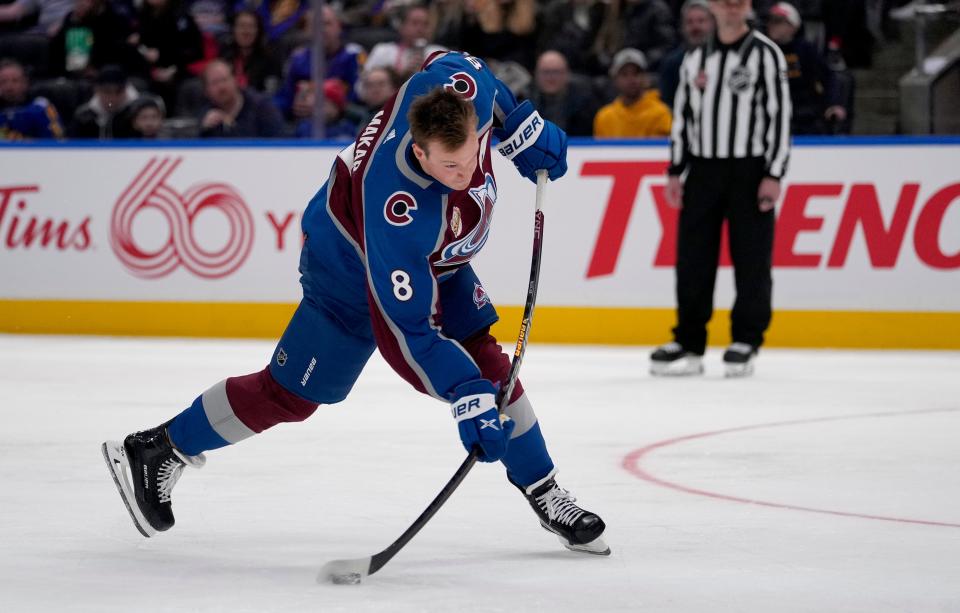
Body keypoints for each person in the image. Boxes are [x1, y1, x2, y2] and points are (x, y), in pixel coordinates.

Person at [102, 49, 610, 557]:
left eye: (472, 157)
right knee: (292, 395)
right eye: (449, 165)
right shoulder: (399, 214)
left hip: (440, 262)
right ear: (421, 153)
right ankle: (159, 448)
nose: (464, 172)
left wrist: (519, 125)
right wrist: (465, 395)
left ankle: (543, 487)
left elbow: (467, 68)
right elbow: (408, 337)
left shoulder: (453, 92)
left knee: (494, 368)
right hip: (348, 269)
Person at [651, 0, 791, 377]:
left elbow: (779, 117)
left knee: (751, 258)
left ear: (746, 6)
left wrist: (774, 173)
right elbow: (684, 117)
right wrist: (676, 170)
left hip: (750, 169)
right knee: (693, 259)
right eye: (724, 1)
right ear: (713, 7)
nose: (731, 7)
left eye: (738, 1)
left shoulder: (765, 54)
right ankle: (689, 342)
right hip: (702, 171)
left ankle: (745, 339)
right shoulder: (695, 58)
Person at [766, 2, 847, 134]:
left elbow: (829, 77)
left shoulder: (805, 49)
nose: (772, 25)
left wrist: (833, 103)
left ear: (793, 26)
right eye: (770, 20)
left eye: (778, 21)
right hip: (772, 113)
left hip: (804, 115)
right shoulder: (763, 51)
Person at [592, 48, 671, 138]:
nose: (631, 79)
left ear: (645, 78)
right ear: (614, 79)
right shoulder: (604, 117)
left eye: (636, 73)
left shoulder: (660, 113)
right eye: (624, 74)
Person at [198, 58, 284, 137]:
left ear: (235, 80)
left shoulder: (262, 108)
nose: (221, 87)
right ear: (206, 91)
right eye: (215, 83)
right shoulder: (204, 111)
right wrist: (204, 128)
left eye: (224, 80)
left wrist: (233, 128)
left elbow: (276, 145)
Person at [526, 50, 597, 137]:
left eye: (556, 72)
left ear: (567, 74)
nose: (551, 78)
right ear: (536, 75)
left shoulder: (586, 106)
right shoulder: (526, 105)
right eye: (545, 72)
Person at [659, 0, 714, 111]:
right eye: (689, 22)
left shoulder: (727, 58)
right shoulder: (672, 64)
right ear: (682, 27)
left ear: (712, 24)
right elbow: (666, 105)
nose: (696, 27)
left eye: (701, 21)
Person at [365, 4, 445, 80]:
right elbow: (362, 85)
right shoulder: (382, 51)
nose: (420, 29)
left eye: (426, 24)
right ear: (401, 26)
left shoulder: (440, 53)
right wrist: (399, 75)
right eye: (415, 23)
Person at [69, 64, 139, 138]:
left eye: (119, 91)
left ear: (126, 90)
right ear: (97, 90)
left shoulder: (139, 113)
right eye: (107, 91)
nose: (113, 97)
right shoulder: (83, 117)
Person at [0, 58, 64, 139]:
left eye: (15, 81)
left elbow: (58, 139)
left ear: (25, 83)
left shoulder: (41, 108)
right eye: (3, 81)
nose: (9, 87)